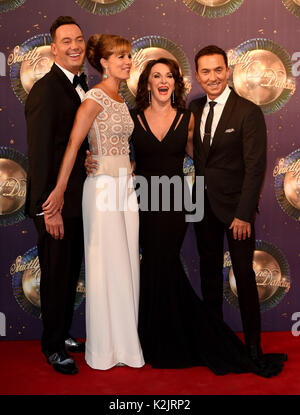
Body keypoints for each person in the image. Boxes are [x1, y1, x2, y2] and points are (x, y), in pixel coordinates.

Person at [85, 57, 285, 377]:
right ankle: (153, 338)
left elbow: (204, 156)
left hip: (176, 201)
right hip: (144, 201)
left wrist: (235, 189)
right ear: (147, 83)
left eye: (169, 76)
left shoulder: (187, 116)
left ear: (176, 82)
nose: (163, 81)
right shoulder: (132, 117)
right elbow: (112, 148)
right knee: (153, 267)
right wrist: (91, 159)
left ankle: (180, 339)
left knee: (165, 266)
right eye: (156, 76)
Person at [42, 34, 144, 370]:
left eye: (129, 56)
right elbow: (73, 146)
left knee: (127, 263)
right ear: (102, 62)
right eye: (119, 57)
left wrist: (129, 168)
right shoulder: (94, 98)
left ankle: (126, 345)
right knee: (105, 268)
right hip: (101, 191)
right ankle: (104, 349)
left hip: (124, 190)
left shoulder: (120, 96)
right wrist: (57, 193)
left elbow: (120, 146)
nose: (127, 62)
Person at [189, 45, 286, 363]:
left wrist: (244, 214)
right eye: (206, 71)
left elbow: (255, 165)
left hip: (236, 212)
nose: (212, 77)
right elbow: (194, 153)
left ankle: (254, 347)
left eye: (218, 70)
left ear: (228, 71)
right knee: (208, 276)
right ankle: (217, 342)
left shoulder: (247, 111)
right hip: (202, 207)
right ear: (198, 75)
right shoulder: (193, 108)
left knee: (244, 277)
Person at [25, 16, 87, 375]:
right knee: (55, 274)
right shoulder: (46, 89)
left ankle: (61, 332)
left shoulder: (78, 85)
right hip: (56, 204)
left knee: (67, 273)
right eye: (66, 41)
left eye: (78, 39)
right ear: (53, 48)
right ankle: (52, 347)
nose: (75, 46)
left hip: (76, 202)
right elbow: (41, 154)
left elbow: (70, 145)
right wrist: (50, 209)